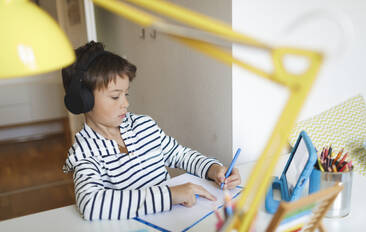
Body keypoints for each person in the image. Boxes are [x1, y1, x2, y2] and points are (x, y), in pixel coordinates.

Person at [62, 41, 241, 220]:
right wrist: (169, 195)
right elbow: (91, 204)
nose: (125, 103)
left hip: (173, 223)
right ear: (83, 100)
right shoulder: (84, 152)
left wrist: (214, 169)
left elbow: (180, 155)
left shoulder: (144, 126)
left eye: (126, 94)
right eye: (115, 96)